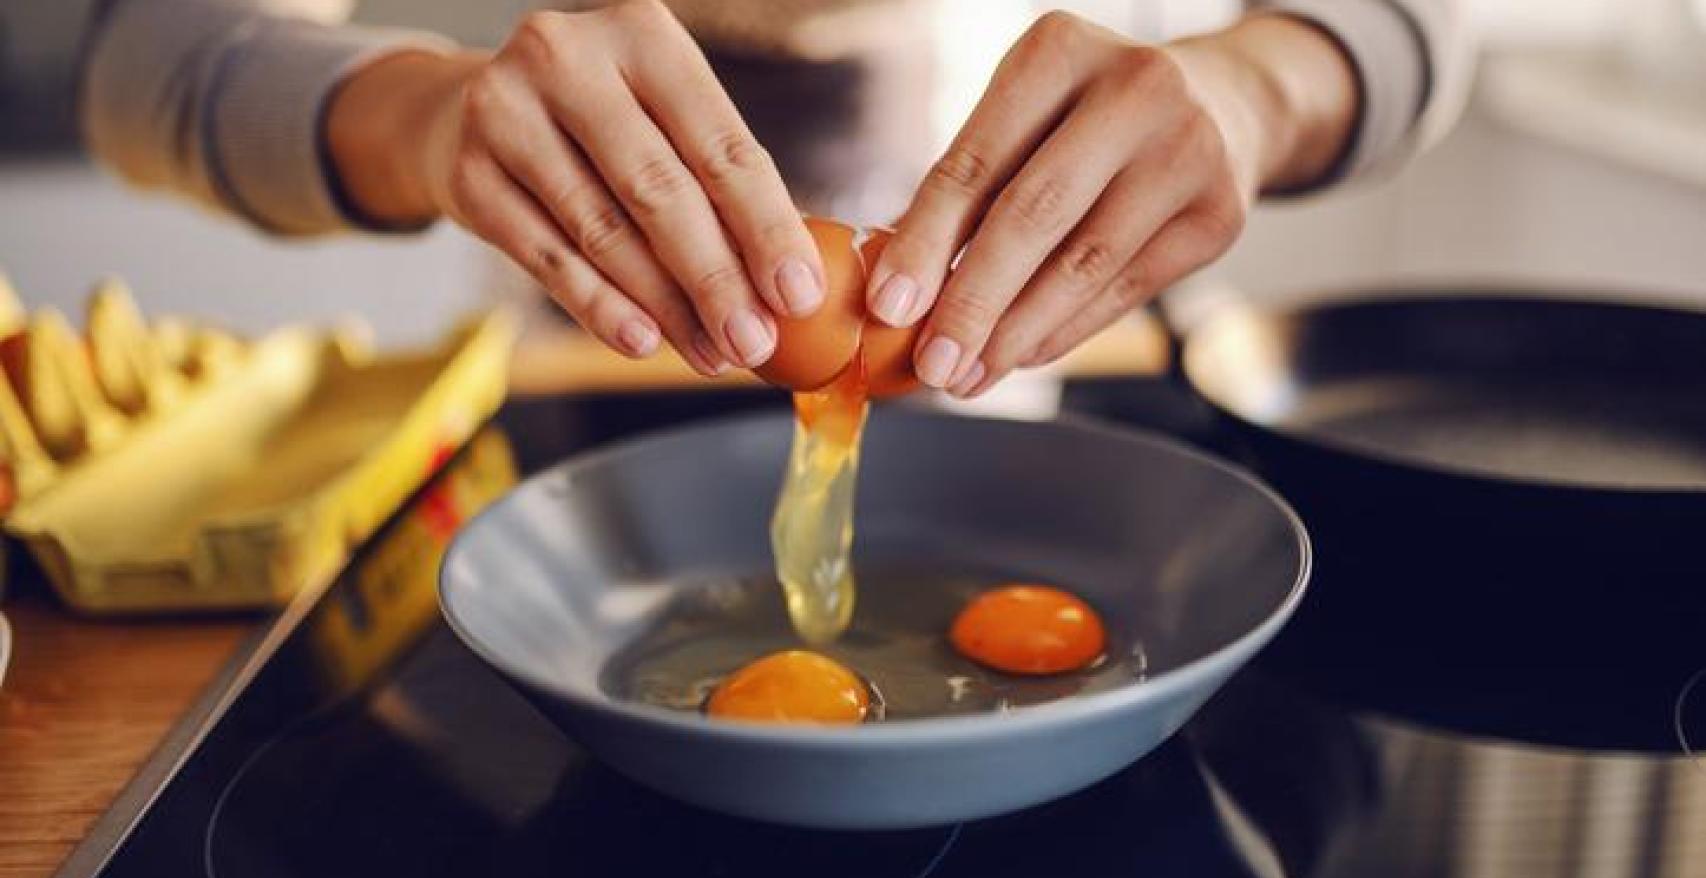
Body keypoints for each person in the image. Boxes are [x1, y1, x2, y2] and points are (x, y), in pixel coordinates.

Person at [81, 0, 1469, 396]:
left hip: (1048, 383)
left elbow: (1425, 28)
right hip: (576, 376)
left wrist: (1254, 90)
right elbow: (137, 63)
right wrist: (422, 115)